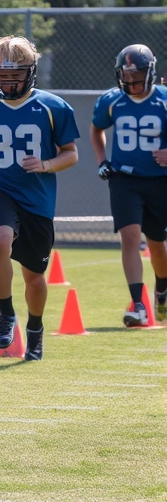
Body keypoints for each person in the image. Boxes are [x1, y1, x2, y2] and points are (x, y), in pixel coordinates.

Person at [0, 35, 79, 361]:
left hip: (37, 197)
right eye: (3, 75)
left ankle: (35, 329)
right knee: (0, 239)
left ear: (30, 72)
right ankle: (5, 314)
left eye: (16, 75)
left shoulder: (53, 107)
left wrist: (45, 164)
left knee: (34, 276)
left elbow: (70, 154)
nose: (10, 82)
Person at [90, 44, 167, 326]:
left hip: (160, 181)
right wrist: (102, 161)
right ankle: (137, 304)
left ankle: (162, 287)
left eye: (137, 76)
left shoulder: (164, 100)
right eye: (127, 76)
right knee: (130, 235)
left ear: (150, 72)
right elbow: (96, 128)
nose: (132, 82)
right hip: (124, 178)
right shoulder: (111, 100)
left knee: (158, 244)